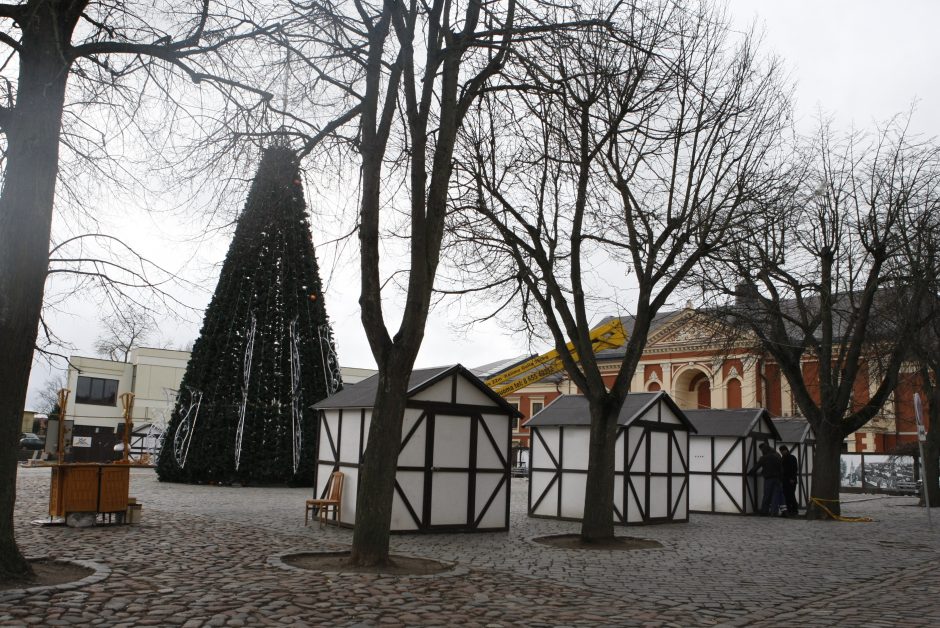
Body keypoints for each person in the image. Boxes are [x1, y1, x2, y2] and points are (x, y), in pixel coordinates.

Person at [751, 442, 784, 516]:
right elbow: (781, 468)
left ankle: (764, 511)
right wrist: (781, 478)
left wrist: (749, 473)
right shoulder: (777, 455)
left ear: (763, 450)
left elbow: (756, 467)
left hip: (768, 479)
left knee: (767, 495)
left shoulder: (764, 458)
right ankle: (774, 512)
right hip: (778, 478)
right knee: (775, 496)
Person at [779, 445, 799, 516]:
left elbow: (794, 469)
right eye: (781, 451)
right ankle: (790, 510)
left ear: (786, 450)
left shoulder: (791, 458)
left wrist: (792, 478)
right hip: (785, 480)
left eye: (782, 451)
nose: (782, 452)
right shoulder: (783, 458)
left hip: (790, 479)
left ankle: (794, 510)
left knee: (791, 495)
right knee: (787, 495)